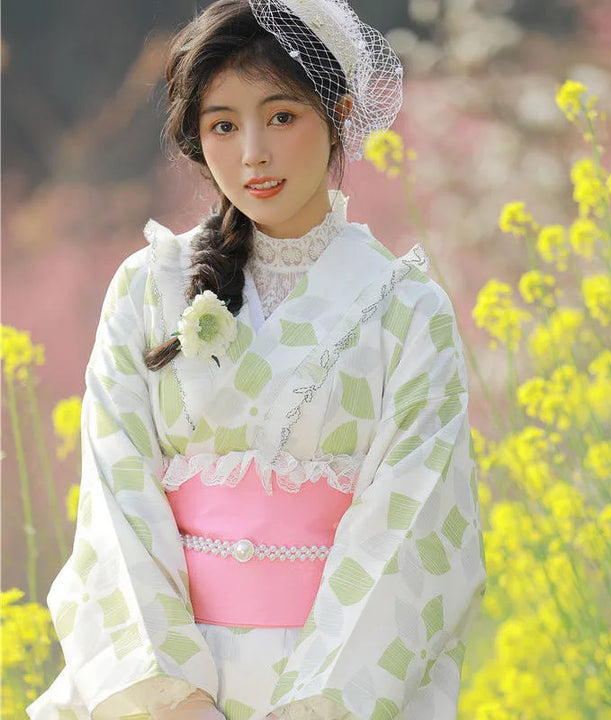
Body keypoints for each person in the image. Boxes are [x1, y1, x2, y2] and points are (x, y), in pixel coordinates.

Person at [26, 0, 487, 718]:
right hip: (169, 691)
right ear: (195, 139)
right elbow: (116, 506)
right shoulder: (148, 288)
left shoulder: (405, 308)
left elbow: (417, 530)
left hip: (334, 688)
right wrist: (176, 699)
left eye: (281, 116)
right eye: (223, 125)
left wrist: (316, 705)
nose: (253, 154)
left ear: (336, 113)